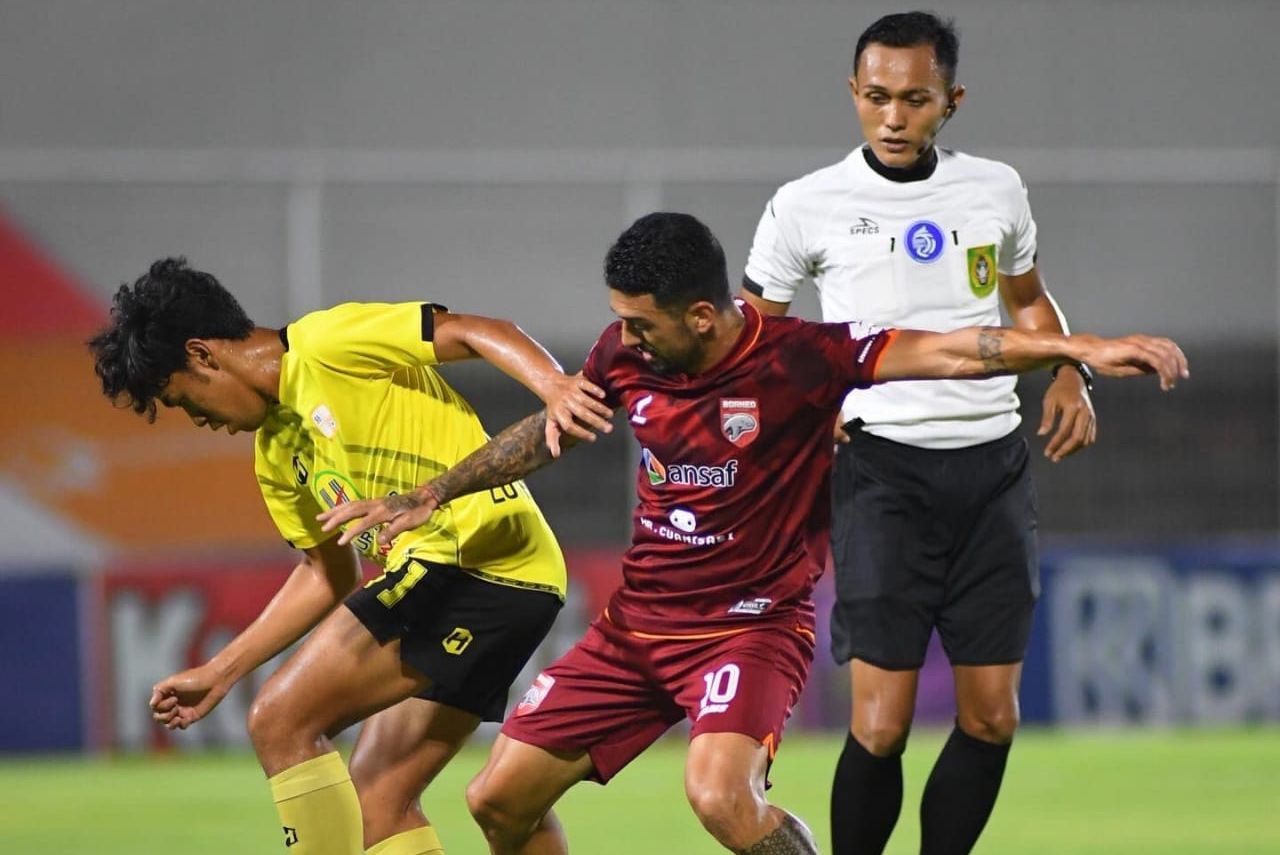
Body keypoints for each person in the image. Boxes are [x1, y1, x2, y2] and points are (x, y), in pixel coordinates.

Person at [318, 212, 1186, 855]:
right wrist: (434, 490)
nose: (623, 337)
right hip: (636, 629)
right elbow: (551, 428)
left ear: (701, 316)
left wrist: (1081, 349)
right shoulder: (625, 355)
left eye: (641, 321)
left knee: (722, 798)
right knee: (497, 800)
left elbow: (962, 349)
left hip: (751, 625)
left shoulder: (801, 357)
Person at [87, 258, 613, 855]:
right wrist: (221, 671)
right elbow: (325, 574)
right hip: (508, 580)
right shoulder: (276, 455)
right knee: (376, 805)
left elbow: (472, 330)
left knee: (280, 720)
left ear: (204, 356)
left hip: (476, 559)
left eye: (182, 401)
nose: (200, 422)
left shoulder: (326, 343)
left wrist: (554, 387)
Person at [738, 11, 1095, 853]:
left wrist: (1071, 365)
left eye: (914, 99)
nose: (893, 117)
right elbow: (755, 340)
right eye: (876, 98)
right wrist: (793, 423)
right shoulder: (805, 205)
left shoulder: (995, 189)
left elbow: (1028, 301)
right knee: (881, 723)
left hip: (993, 472)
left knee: (993, 716)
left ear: (951, 101)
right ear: (852, 95)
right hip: (881, 475)